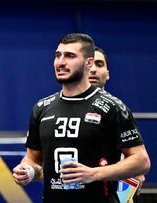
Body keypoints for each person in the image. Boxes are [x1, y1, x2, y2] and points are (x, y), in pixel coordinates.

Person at [12, 33, 150, 203]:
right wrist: (28, 171)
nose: (61, 62)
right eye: (58, 55)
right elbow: (32, 159)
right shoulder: (41, 108)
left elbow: (142, 161)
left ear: (88, 63)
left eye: (70, 56)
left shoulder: (113, 107)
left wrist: (94, 174)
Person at [89, 46, 144, 203]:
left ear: (108, 74)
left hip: (113, 192)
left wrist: (134, 174)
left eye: (99, 64)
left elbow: (138, 159)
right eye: (90, 64)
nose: (93, 70)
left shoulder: (118, 109)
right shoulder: (59, 107)